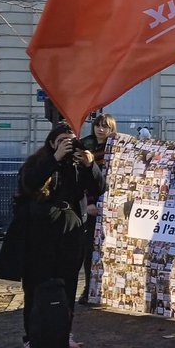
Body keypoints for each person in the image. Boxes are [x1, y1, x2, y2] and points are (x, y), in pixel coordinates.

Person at [0, 123, 106, 348]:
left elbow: (100, 187)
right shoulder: (39, 162)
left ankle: (63, 334)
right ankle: (32, 338)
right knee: (35, 286)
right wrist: (55, 158)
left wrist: (90, 165)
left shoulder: (77, 165)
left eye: (71, 140)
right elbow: (30, 183)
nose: (68, 144)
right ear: (52, 142)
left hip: (70, 233)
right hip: (38, 235)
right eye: (63, 140)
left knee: (68, 285)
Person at [77, 113, 117, 304]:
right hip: (93, 204)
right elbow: (84, 178)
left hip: (112, 205)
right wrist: (90, 201)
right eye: (98, 125)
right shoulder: (86, 146)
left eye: (105, 126)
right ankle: (89, 289)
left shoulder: (116, 148)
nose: (101, 129)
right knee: (89, 249)